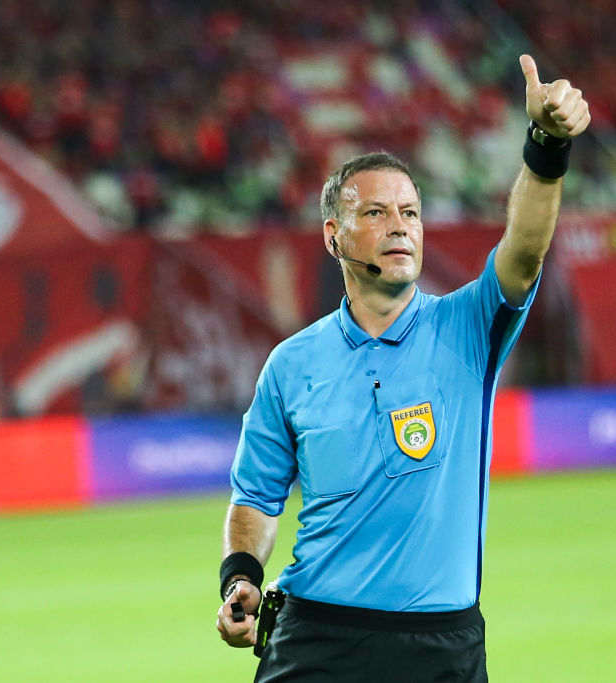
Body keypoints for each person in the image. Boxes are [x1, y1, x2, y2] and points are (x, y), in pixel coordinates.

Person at [215, 54, 590, 681]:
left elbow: (525, 246)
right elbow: (254, 497)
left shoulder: (468, 327)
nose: (400, 228)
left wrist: (546, 143)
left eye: (410, 213)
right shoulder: (291, 364)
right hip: (315, 641)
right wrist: (242, 579)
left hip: (440, 648)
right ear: (333, 236)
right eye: (376, 213)